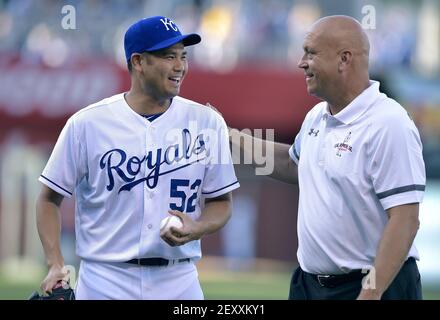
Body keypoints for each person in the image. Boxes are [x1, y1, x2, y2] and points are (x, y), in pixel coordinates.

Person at [36, 16, 239, 300]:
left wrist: (198, 227)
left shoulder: (207, 122)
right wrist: (55, 263)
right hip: (104, 279)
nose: (180, 66)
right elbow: (49, 198)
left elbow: (221, 203)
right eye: (169, 56)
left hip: (179, 279)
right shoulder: (88, 123)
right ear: (139, 62)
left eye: (183, 56)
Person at [227, 15, 425, 300]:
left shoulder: (389, 122)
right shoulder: (317, 116)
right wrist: (231, 137)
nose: (301, 62)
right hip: (309, 285)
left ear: (344, 59)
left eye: (311, 52)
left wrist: (371, 292)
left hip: (370, 286)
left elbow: (405, 219)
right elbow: (292, 164)